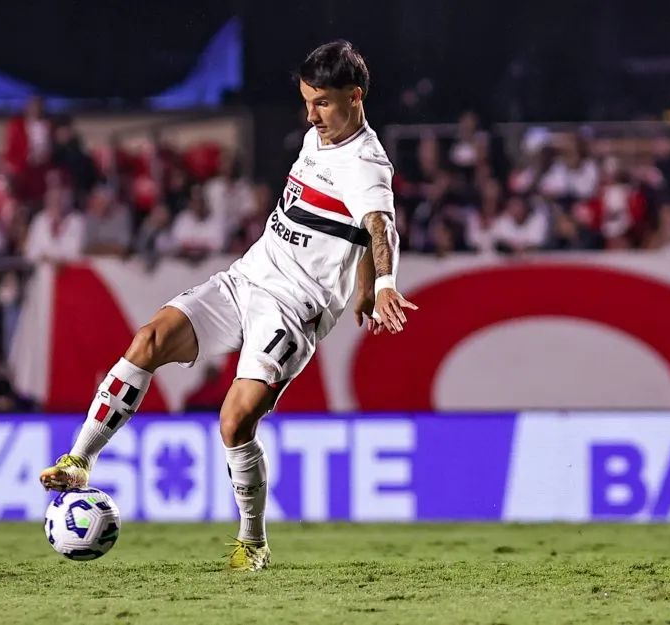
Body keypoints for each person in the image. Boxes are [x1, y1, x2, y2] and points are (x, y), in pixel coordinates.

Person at [38, 40, 418, 571]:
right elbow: (355, 230)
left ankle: (253, 542)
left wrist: (382, 286)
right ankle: (81, 460)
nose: (311, 116)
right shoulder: (318, 136)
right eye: (307, 101)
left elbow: (380, 226)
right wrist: (361, 281)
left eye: (323, 103)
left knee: (234, 423)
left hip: (293, 309)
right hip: (247, 278)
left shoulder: (366, 164)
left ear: (356, 98)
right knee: (148, 339)